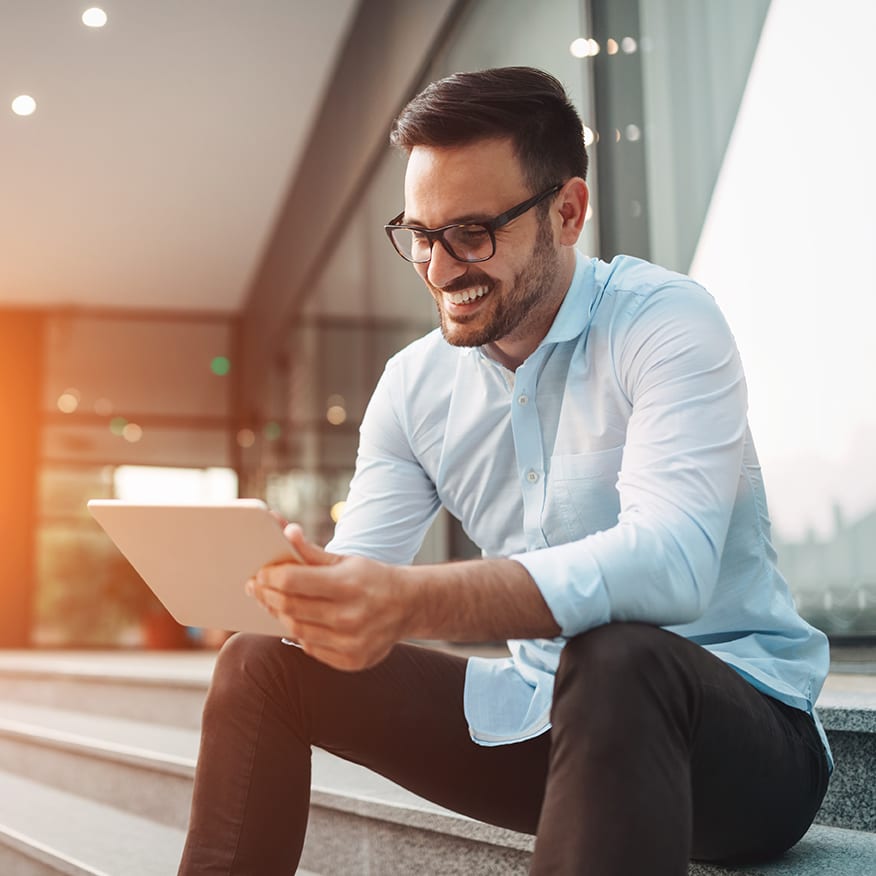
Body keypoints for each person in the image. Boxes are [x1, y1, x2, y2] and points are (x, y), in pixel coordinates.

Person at [178, 67, 831, 875]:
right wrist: (304, 593)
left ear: (567, 212)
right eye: (421, 235)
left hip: (743, 743)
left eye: (473, 233)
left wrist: (410, 599)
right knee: (259, 662)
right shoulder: (415, 388)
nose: (441, 269)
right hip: (542, 722)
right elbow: (365, 582)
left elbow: (672, 565)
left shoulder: (664, 322)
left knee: (617, 653)